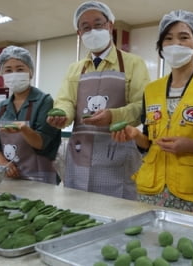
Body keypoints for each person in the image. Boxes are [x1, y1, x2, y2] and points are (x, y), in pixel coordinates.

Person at [112, 10, 193, 215]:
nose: (175, 43)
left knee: (189, 245)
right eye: (168, 38)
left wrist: (191, 146)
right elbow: (149, 145)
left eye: (184, 37)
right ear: (161, 47)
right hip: (151, 191)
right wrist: (136, 136)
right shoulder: (152, 90)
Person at [46, 1, 150, 199]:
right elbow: (65, 101)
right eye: (85, 27)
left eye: (98, 24)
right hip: (80, 152)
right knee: (78, 210)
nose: (92, 30)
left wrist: (113, 115)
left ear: (110, 25)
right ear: (79, 34)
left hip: (117, 151)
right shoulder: (74, 69)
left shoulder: (133, 64)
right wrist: (63, 116)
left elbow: (141, 107)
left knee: (117, 213)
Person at [0, 45, 62, 185]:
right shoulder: (2, 107)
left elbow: (42, 143)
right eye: (8, 70)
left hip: (40, 178)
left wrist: (23, 129)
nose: (14, 74)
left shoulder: (44, 101)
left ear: (30, 72)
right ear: (3, 75)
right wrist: (3, 163)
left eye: (20, 69)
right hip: (9, 176)